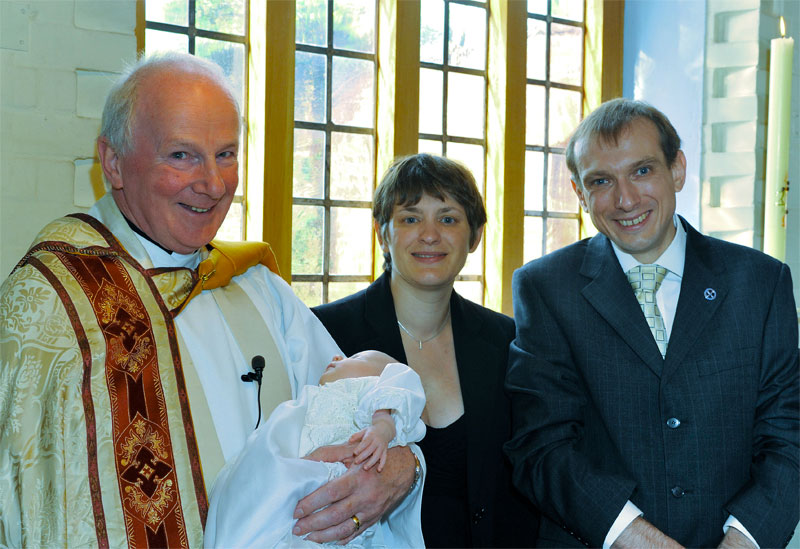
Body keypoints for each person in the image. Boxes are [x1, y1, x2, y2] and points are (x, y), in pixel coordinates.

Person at [0, 52, 418, 548]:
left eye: (226, 154)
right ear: (113, 163)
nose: (213, 184)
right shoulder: (54, 303)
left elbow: (360, 399)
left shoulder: (257, 287)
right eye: (182, 155)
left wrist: (402, 468)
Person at [505, 98, 800, 548]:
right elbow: (541, 449)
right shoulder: (545, 289)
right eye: (601, 181)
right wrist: (639, 540)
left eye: (642, 171)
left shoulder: (760, 283)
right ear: (580, 193)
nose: (625, 199)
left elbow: (789, 437)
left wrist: (742, 542)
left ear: (677, 169)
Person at [313, 153, 539, 547]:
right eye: (410, 218)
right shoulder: (326, 332)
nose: (430, 234)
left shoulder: (507, 341)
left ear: (475, 236)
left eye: (448, 218)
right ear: (382, 233)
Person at [205, 350, 426, 547]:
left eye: (357, 357)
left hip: (328, 486)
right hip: (294, 484)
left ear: (381, 380)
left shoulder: (369, 395)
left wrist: (383, 427)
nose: (337, 357)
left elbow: (399, 391)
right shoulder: (310, 396)